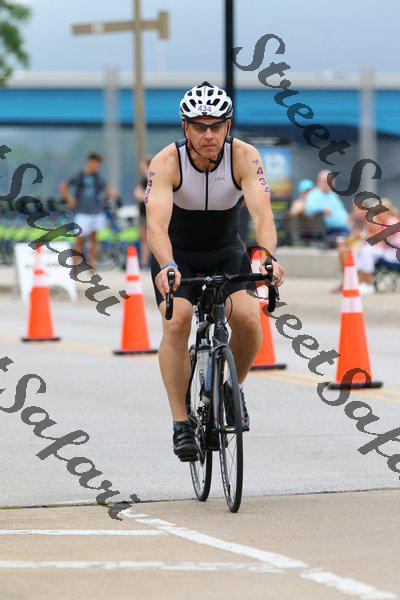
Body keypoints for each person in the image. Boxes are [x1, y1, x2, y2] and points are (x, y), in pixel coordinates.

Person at [145, 81, 284, 462]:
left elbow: (262, 213)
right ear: (185, 127)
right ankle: (181, 422)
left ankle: (229, 389)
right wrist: (167, 264)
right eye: (199, 126)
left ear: (228, 126)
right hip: (177, 256)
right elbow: (156, 224)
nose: (208, 135)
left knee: (249, 320)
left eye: (216, 126)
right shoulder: (166, 162)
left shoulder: (244, 156)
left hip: (225, 250)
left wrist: (267, 256)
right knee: (178, 321)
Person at [59, 153, 118, 269]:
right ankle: (75, 266)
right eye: (95, 163)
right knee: (79, 240)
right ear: (90, 162)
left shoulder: (98, 177)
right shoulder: (79, 175)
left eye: (98, 164)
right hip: (82, 212)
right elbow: (63, 185)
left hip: (96, 212)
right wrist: (68, 199)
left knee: (94, 240)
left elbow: (106, 189)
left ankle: (91, 265)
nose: (97, 166)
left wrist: (112, 192)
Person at [355, 198, 400, 295]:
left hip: (393, 256)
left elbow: (381, 240)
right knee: (361, 250)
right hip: (386, 252)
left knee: (367, 251)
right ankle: (361, 283)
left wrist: (363, 235)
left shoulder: (393, 221)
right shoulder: (382, 223)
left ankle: (368, 284)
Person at [305, 170, 350, 245]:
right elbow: (309, 209)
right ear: (320, 182)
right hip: (329, 232)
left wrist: (348, 219)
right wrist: (322, 209)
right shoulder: (313, 194)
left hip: (344, 229)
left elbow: (341, 211)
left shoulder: (332, 195)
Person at [133, 156, 153, 268]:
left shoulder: (152, 178)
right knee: (144, 239)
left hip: (151, 212)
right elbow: (137, 194)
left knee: (150, 238)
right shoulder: (144, 179)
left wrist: (145, 196)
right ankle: (144, 261)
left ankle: (147, 261)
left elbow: (139, 194)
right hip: (143, 212)